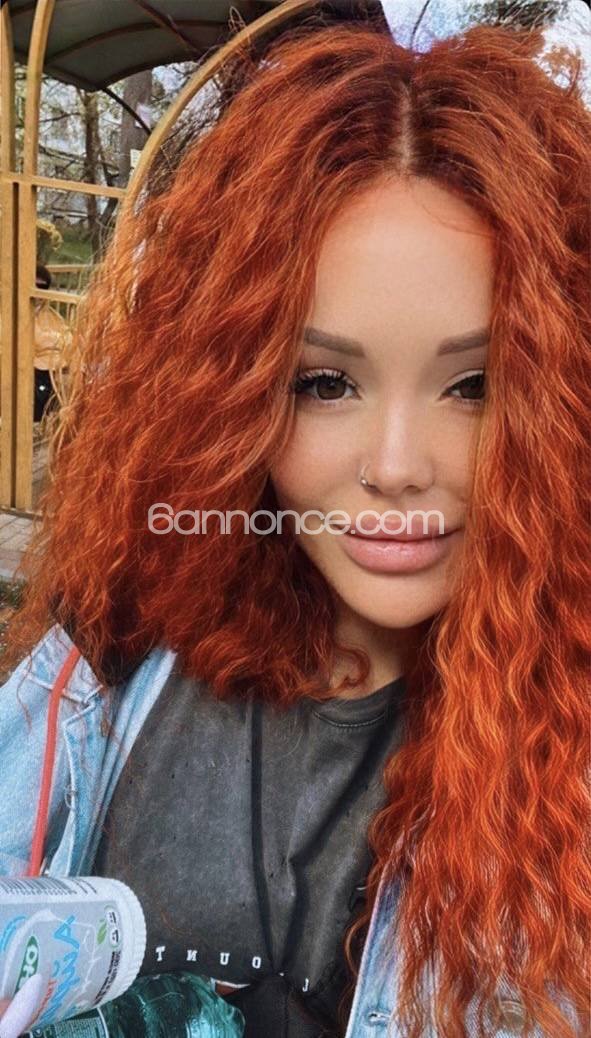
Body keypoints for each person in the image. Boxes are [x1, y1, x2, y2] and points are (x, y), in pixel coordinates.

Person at [0, 5, 588, 1038]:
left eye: (476, 386)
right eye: (324, 382)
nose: (396, 467)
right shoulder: (112, 658)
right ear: (226, 398)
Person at [33, 265, 71, 423]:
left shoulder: (50, 315)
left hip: (52, 370)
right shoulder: (11, 311)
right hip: (32, 370)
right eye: (34, 286)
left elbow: (68, 339)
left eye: (42, 287)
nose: (38, 292)